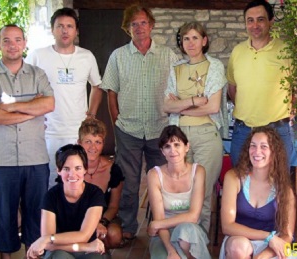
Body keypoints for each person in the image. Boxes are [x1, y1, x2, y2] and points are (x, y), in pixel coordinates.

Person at [100, 4, 178, 242]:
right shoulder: (118, 56)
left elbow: (177, 91)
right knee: (129, 182)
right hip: (128, 130)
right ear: (127, 29)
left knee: (160, 182)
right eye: (134, 24)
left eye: (143, 22)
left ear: (151, 25)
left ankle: (158, 226)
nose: (139, 28)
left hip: (160, 130)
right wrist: (117, 123)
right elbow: (111, 92)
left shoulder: (168, 56)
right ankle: (128, 226)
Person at [0, 24, 54, 259]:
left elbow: (49, 104)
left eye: (17, 40)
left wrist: (10, 107)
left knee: (35, 213)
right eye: (6, 40)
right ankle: (7, 257)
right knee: (4, 213)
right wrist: (32, 109)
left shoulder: (37, 74)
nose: (12, 45)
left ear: (24, 43)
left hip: (35, 156)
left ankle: (34, 255)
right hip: (1, 158)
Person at [25, 7, 103, 188]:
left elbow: (97, 86)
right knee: (49, 179)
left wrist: (91, 114)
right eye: (60, 26)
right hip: (47, 131)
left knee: (76, 179)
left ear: (76, 31)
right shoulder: (38, 56)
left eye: (69, 26)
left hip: (77, 131)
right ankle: (49, 216)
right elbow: (24, 86)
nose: (65, 30)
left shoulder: (86, 56)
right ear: (52, 30)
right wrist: (32, 114)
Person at [163, 21, 227, 233]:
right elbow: (166, 105)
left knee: (203, 194)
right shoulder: (176, 69)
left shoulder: (215, 66)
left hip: (207, 136)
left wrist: (180, 107)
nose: (190, 43)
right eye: (186, 38)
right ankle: (180, 243)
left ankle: (199, 247)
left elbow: (213, 106)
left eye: (195, 38)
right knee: (182, 193)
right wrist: (194, 100)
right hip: (179, 139)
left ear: (204, 40)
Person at [227, 0, 293, 167]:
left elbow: (296, 90)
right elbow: (233, 88)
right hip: (243, 131)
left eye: (260, 19)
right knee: (240, 180)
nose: (255, 25)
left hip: (277, 130)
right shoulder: (237, 52)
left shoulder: (286, 51)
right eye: (250, 20)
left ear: (271, 21)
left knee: (278, 184)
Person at [220, 127, 296, 259]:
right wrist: (268, 236)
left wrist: (262, 256)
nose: (257, 151)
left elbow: (287, 234)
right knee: (238, 247)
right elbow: (227, 226)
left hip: (272, 246)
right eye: (253, 146)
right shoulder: (234, 178)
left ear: (274, 152)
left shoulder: (284, 189)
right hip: (241, 239)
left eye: (264, 146)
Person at [26, 144, 110, 259]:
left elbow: (84, 235)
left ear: (85, 169)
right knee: (59, 256)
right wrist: (85, 247)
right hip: (71, 250)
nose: (72, 174)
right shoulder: (50, 196)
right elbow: (49, 247)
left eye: (78, 168)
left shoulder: (95, 194)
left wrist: (48, 238)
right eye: (66, 169)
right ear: (58, 171)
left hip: (90, 251)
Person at [147, 125, 211, 259]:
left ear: (187, 147)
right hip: (163, 233)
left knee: (186, 233)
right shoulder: (154, 175)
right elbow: (159, 218)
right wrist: (171, 251)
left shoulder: (198, 171)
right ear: (162, 151)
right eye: (167, 146)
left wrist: (157, 224)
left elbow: (193, 216)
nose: (173, 151)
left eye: (177, 144)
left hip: (191, 232)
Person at [78, 118, 125, 248]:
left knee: (114, 234)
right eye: (88, 142)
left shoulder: (113, 170)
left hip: (103, 219)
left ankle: (100, 249)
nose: (93, 147)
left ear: (103, 144)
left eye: (98, 142)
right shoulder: (72, 168)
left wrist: (100, 222)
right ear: (79, 143)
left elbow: (113, 207)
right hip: (76, 217)